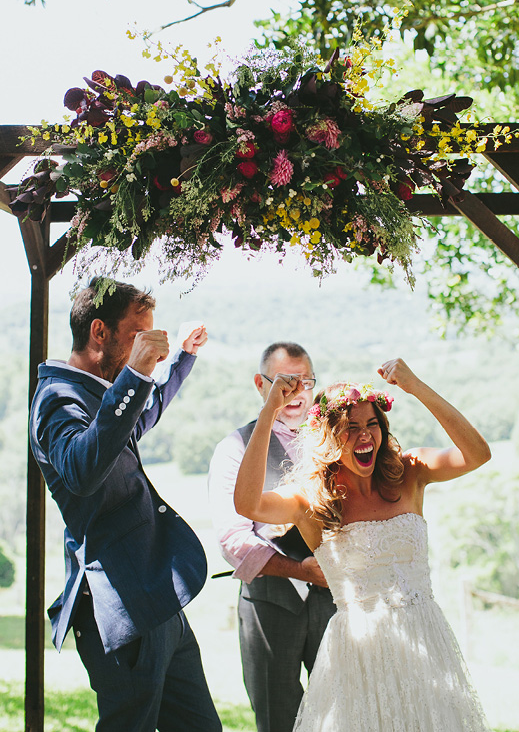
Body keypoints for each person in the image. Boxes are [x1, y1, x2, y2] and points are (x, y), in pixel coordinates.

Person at [234, 357, 492, 732]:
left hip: (424, 641)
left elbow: (477, 454)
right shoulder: (310, 499)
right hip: (358, 657)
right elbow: (247, 504)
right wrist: (270, 410)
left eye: (372, 424)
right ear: (328, 436)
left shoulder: (410, 472)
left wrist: (416, 386)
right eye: (350, 428)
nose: (365, 436)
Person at [29, 277, 221, 732]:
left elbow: (139, 416)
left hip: (159, 601)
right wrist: (134, 376)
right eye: (138, 336)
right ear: (99, 331)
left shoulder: (102, 393)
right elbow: (82, 470)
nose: (148, 349)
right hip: (119, 609)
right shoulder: (56, 399)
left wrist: (182, 358)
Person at [208, 342, 336, 732]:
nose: (296, 393)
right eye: (285, 382)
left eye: (305, 382)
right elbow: (232, 538)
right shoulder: (234, 448)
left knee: (343, 713)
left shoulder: (333, 440)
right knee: (277, 720)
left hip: (334, 602)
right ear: (260, 384)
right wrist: (298, 570)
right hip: (269, 603)